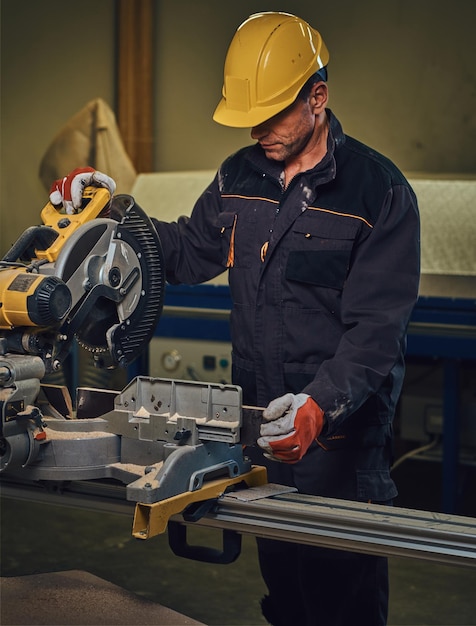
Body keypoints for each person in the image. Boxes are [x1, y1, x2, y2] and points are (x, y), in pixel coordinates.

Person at [50, 12, 420, 626]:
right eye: (252, 116)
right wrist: (106, 211)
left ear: (318, 98)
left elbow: (377, 330)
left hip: (337, 437)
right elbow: (185, 250)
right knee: (286, 594)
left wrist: (321, 402)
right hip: (263, 422)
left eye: (273, 114)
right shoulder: (238, 176)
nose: (259, 130)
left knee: (342, 598)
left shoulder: (377, 193)